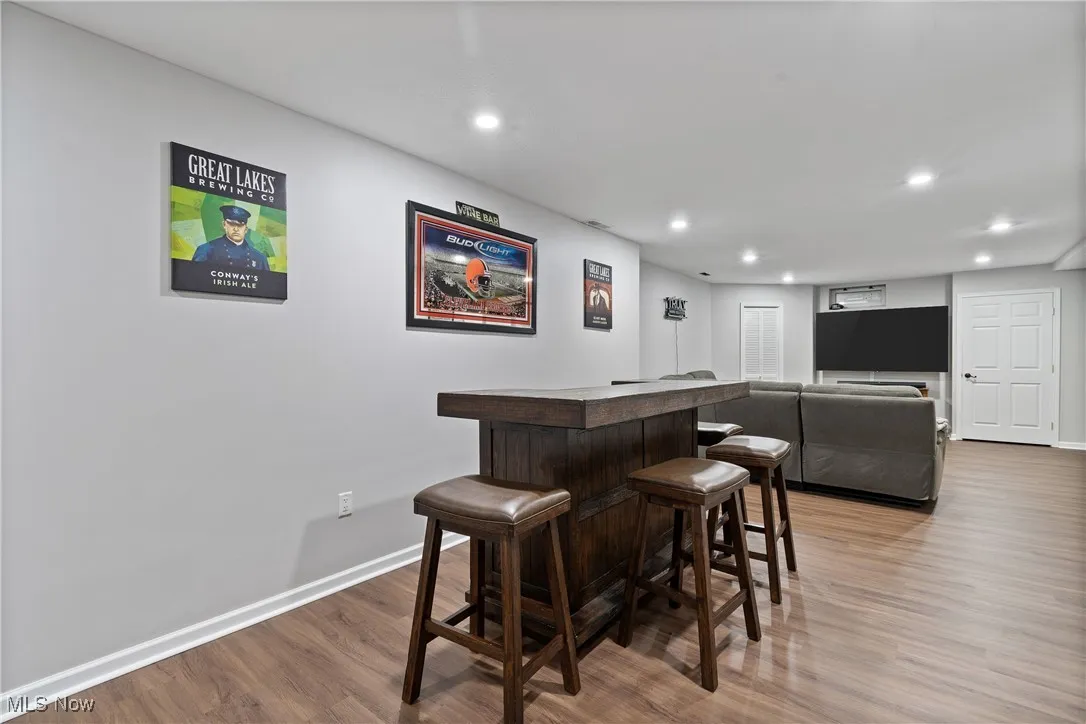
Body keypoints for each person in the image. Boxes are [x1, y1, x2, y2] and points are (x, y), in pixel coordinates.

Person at [191, 205, 269, 270]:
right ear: (224, 224)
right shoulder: (206, 250)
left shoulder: (260, 258)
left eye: (240, 225)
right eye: (231, 224)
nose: (236, 229)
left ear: (246, 229)